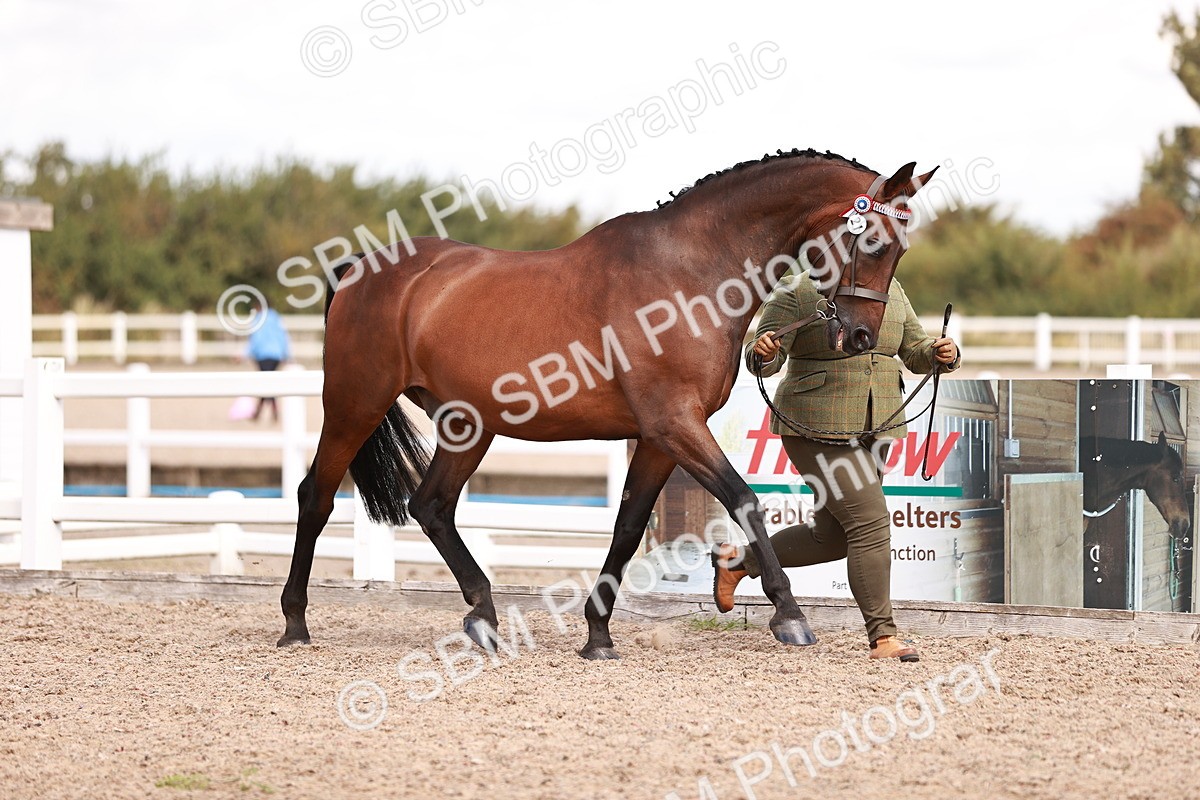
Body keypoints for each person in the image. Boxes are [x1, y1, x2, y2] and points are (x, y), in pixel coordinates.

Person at [711, 272, 960, 662]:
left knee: (832, 536)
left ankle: (741, 560)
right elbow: (766, 359)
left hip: (876, 424)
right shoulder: (797, 289)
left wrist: (940, 353)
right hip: (815, 424)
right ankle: (883, 637)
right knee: (871, 521)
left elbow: (914, 348)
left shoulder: (890, 287)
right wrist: (762, 352)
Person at [245, 300, 292, 422]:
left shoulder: (259, 319)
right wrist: (287, 354)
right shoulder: (276, 317)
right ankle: (262, 412)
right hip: (276, 355)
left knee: (266, 384)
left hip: (263, 355)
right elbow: (283, 336)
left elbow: (255, 339)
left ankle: (265, 412)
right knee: (268, 383)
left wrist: (246, 354)